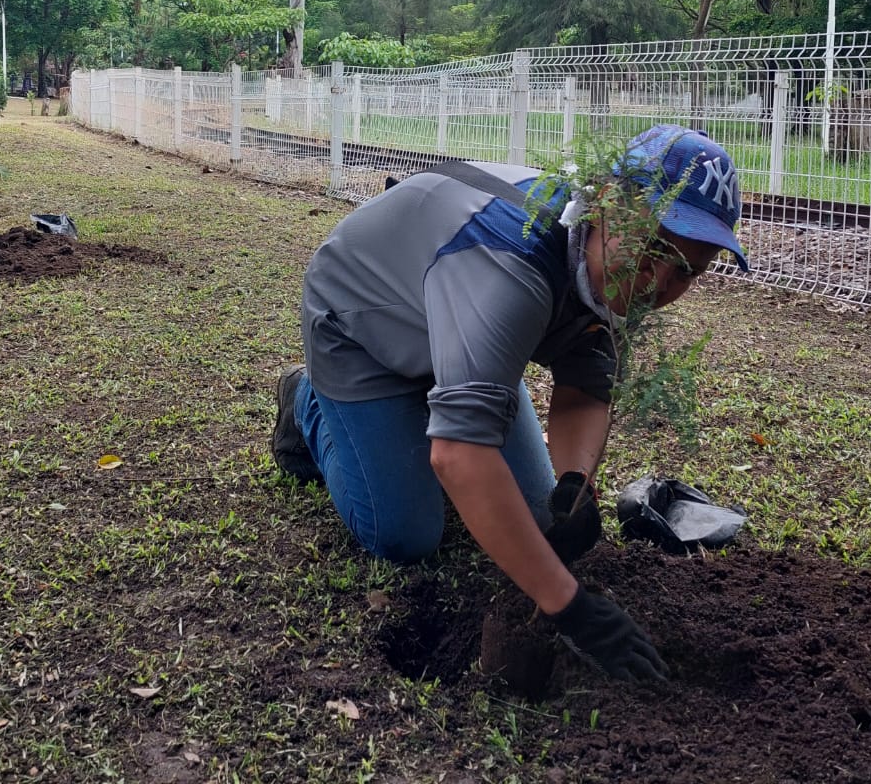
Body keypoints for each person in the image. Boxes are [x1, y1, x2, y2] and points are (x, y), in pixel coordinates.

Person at [272, 124, 749, 682]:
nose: (659, 285)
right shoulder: (509, 264)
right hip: (364, 329)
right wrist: (568, 605)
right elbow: (458, 456)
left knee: (538, 510)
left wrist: (574, 481)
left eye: (688, 270)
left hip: (464, 334)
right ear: (604, 204)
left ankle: (458, 389)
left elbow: (587, 384)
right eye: (654, 251)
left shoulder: (607, 263)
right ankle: (304, 399)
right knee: (403, 534)